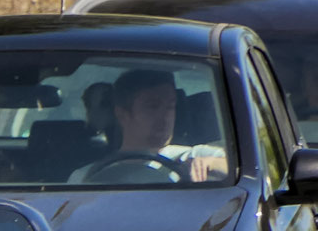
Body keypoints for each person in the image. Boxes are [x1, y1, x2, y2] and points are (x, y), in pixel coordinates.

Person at [70, 67, 227, 183]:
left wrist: (211, 163)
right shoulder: (86, 176)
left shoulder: (191, 156)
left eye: (170, 106)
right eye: (152, 106)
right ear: (122, 114)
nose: (165, 116)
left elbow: (245, 170)